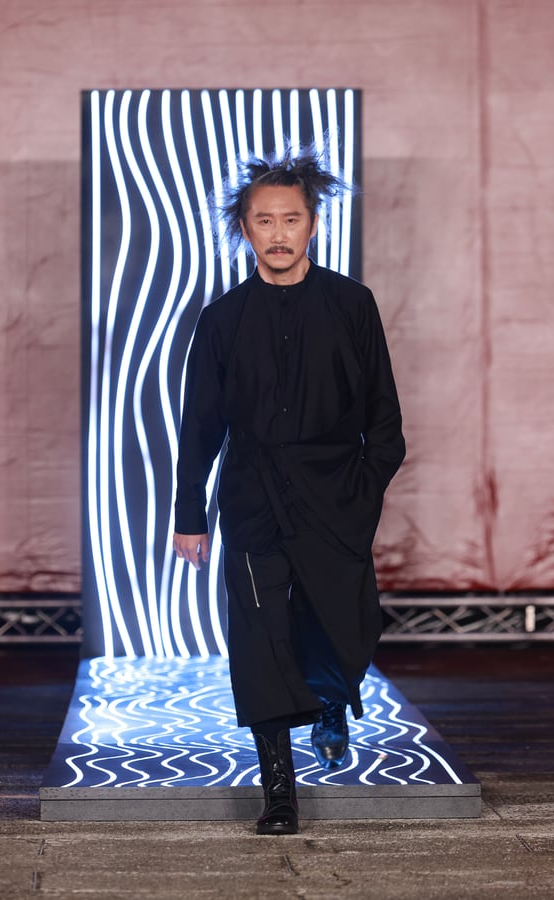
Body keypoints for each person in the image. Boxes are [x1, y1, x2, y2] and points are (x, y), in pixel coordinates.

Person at [173, 146, 405, 835]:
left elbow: (384, 417)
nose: (278, 234)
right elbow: (199, 424)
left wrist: (364, 489)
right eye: (264, 220)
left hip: (336, 494)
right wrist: (190, 513)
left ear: (313, 224)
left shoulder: (352, 305)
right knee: (259, 638)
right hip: (252, 498)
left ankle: (331, 699)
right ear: (245, 228)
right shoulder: (221, 320)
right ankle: (280, 789)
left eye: (291, 219)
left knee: (342, 622)